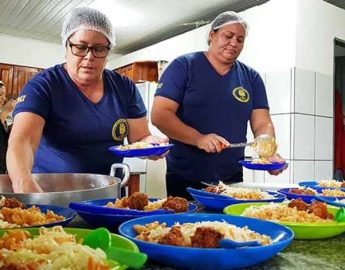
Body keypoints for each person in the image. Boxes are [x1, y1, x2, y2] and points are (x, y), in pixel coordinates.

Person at [7, 7, 167, 193]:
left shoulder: (124, 88)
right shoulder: (43, 86)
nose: (89, 57)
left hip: (106, 193)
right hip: (49, 194)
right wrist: (24, 184)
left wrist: (153, 145)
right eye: (81, 47)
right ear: (66, 47)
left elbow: (139, 138)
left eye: (99, 49)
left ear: (108, 52)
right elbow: (22, 140)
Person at [151, 11, 286, 199]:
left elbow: (262, 123)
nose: (234, 43)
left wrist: (268, 150)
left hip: (231, 178)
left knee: (229, 228)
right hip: (185, 176)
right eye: (228, 36)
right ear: (212, 35)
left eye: (240, 39)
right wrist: (198, 138)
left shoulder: (251, 77)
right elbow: (160, 115)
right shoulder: (184, 66)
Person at [0, 81, 16, 174]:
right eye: (0, 95)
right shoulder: (3, 113)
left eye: (4, 95)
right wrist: (5, 112)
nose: (4, 98)